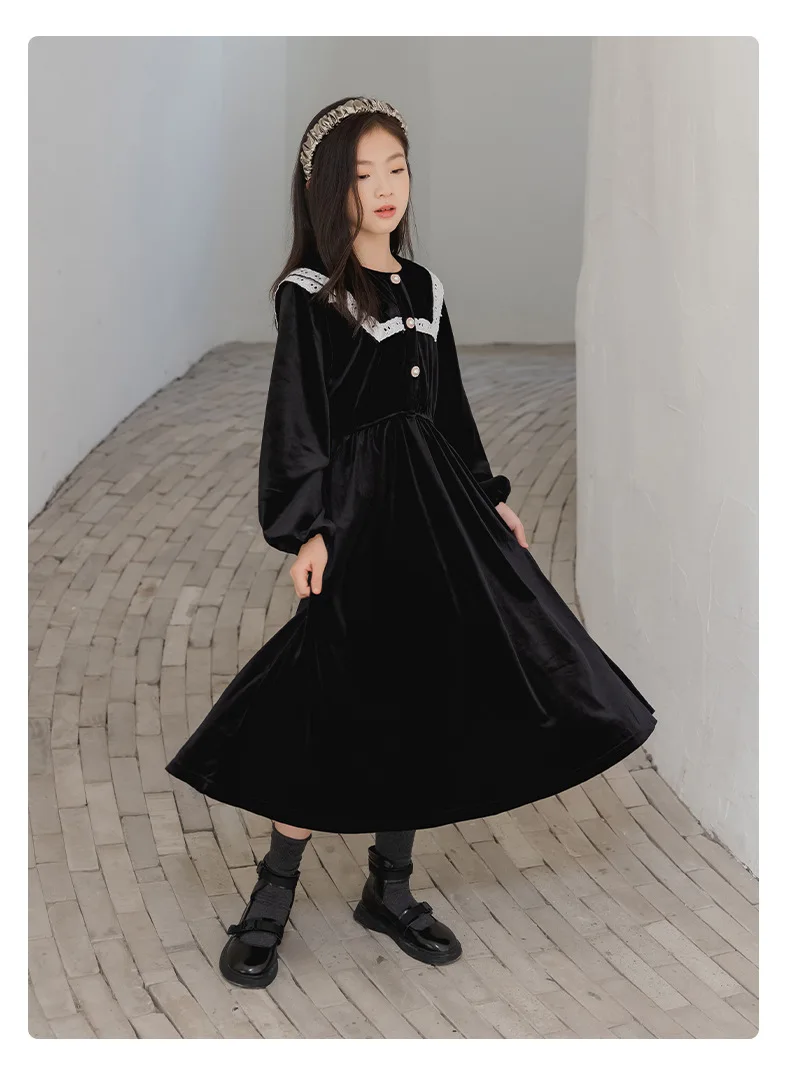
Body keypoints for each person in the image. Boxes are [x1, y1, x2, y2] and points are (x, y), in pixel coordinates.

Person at [165, 96, 657, 990]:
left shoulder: (425, 286)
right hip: (358, 517)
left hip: (438, 513)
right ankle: (272, 896)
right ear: (330, 190)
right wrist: (307, 530)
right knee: (329, 694)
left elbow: (448, 410)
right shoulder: (311, 295)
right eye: (362, 175)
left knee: (425, 687)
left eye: (396, 168)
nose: (384, 188)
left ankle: (388, 889)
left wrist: (489, 498)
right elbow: (297, 421)